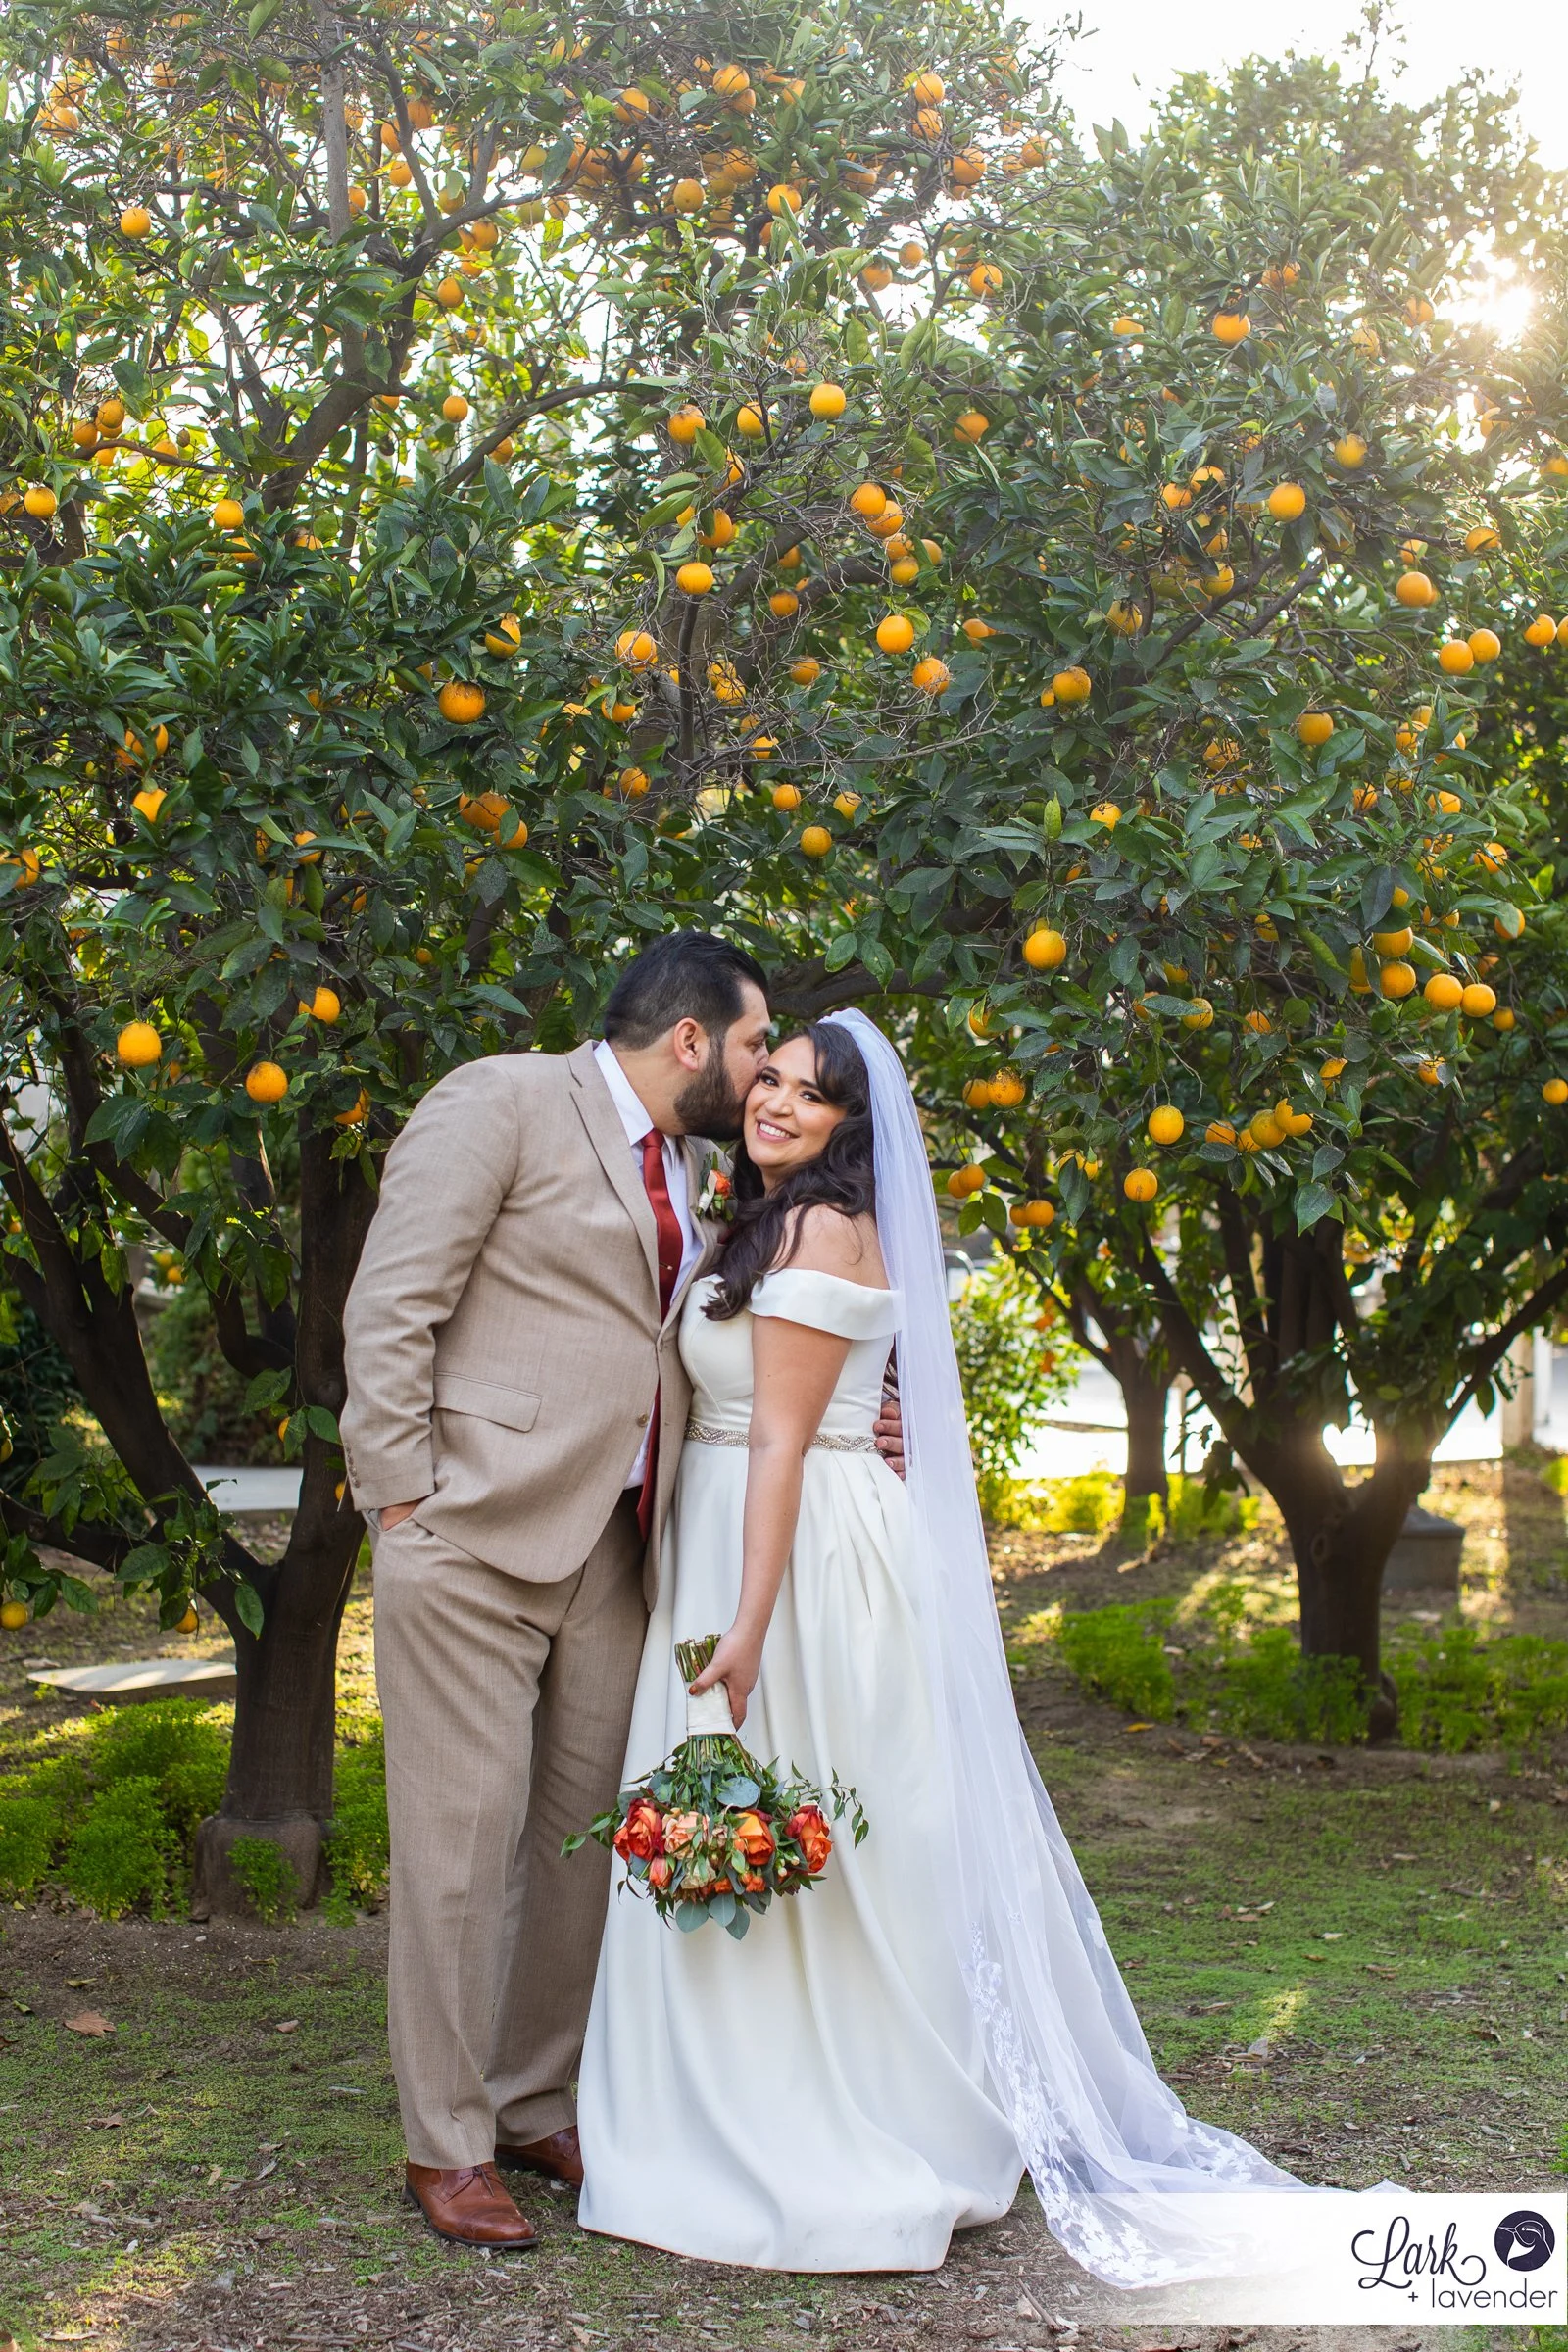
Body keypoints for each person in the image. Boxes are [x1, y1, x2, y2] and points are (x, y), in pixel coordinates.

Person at [577, 1011, 1300, 2285]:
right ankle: (743, 2091)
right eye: (774, 1080)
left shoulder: (814, 1227)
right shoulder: (765, 1216)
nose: (778, 1103)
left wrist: (747, 1626)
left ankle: (828, 2111)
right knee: (779, 1825)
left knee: (812, 1827)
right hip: (750, 1538)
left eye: (811, 1094)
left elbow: (786, 1441)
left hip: (789, 1563)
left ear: (853, 1126)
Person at [341, 933, 892, 2248]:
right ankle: (448, 2139)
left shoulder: (699, 1168)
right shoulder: (500, 1102)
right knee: (459, 1849)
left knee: (584, 1844)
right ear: (694, 1040)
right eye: (760, 1047)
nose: (769, 1076)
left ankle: (538, 2100)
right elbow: (392, 1305)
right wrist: (401, 1503)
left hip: (622, 1549)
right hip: (471, 1538)